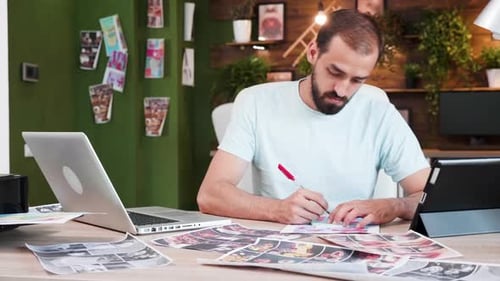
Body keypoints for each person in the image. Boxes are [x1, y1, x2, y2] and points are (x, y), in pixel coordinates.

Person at [197, 9, 430, 228]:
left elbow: (430, 196)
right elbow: (210, 194)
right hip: (277, 251)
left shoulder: (379, 111)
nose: (342, 90)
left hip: (353, 250)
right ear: (312, 53)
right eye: (335, 72)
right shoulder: (256, 102)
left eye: (357, 80)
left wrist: (394, 206)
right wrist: (277, 209)